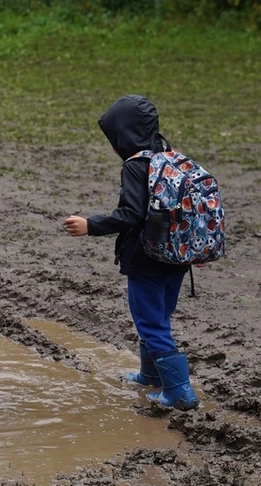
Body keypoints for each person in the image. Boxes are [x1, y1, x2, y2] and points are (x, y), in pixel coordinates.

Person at [63, 94, 198, 411]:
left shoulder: (137, 167)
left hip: (147, 261)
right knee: (158, 318)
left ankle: (180, 393)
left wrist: (90, 225)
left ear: (124, 136)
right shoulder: (170, 159)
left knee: (150, 324)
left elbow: (130, 214)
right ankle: (150, 374)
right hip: (176, 259)